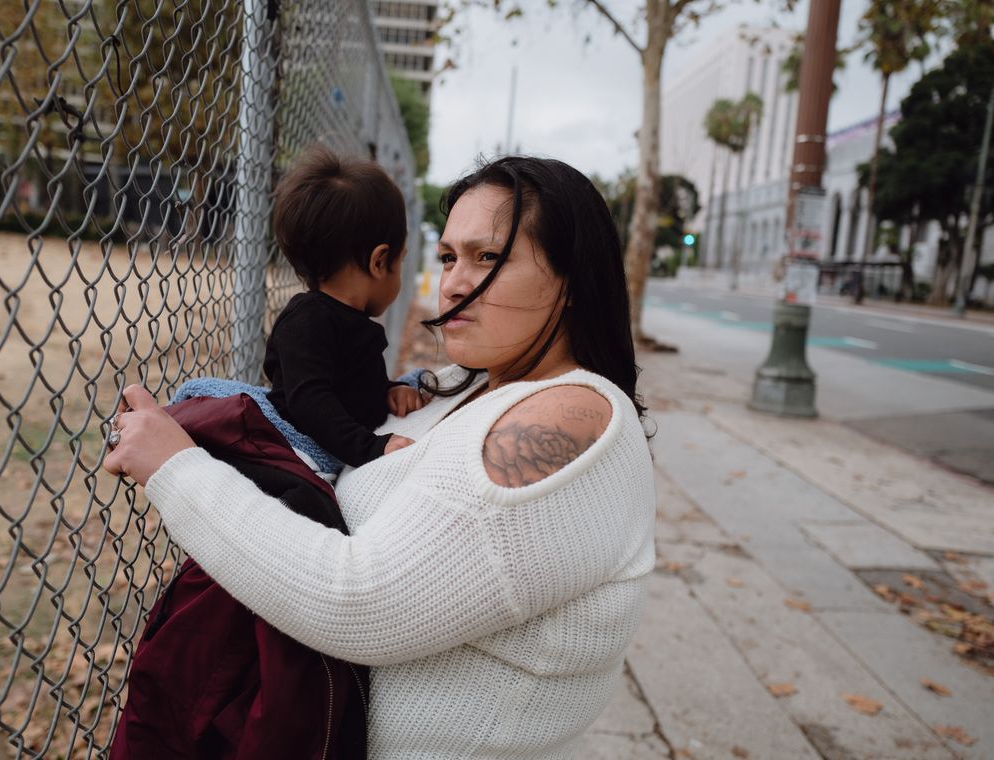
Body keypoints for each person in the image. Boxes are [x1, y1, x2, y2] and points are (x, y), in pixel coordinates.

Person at [106, 155, 656, 759]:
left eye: (487, 258)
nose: (453, 282)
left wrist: (176, 468)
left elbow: (360, 601)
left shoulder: (568, 417)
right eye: (448, 257)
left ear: (572, 278)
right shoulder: (485, 384)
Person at [171, 146, 426, 477]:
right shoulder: (308, 320)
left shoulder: (353, 322)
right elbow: (310, 401)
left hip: (338, 447)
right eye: (401, 260)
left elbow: (354, 387)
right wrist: (371, 448)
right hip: (298, 454)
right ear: (380, 262)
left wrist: (390, 390)